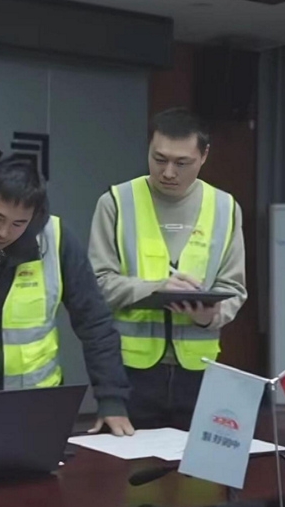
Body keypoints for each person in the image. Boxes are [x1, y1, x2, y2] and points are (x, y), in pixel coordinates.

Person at [0, 157, 133, 439]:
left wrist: (111, 399)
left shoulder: (55, 240)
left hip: (37, 405)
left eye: (18, 223)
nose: (3, 232)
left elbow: (94, 321)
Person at [88, 107, 247, 431]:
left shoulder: (225, 208)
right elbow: (97, 283)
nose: (168, 172)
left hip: (200, 372)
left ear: (204, 156)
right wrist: (154, 289)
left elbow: (235, 289)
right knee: (127, 462)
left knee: (198, 463)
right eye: (159, 159)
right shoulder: (116, 202)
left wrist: (210, 316)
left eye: (181, 163)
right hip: (131, 372)